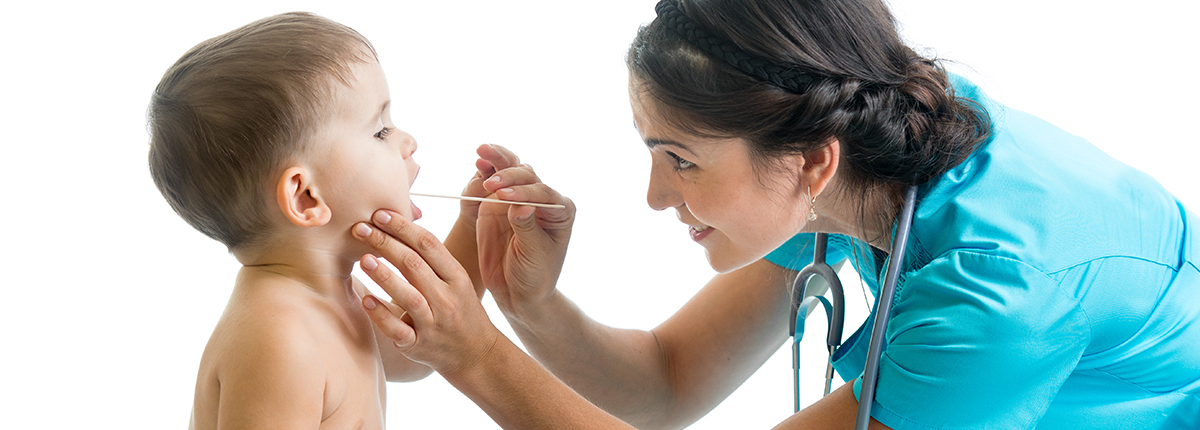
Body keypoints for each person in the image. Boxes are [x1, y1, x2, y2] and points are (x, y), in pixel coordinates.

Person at [352, 0, 1200, 429]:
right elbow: (668, 381)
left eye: (681, 159)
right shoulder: (868, 141)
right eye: (652, 152)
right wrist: (530, 304)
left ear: (811, 161)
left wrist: (472, 353)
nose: (653, 196)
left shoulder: (1000, 294)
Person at [147, 12, 520, 429]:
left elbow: (412, 350)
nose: (406, 140)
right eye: (379, 131)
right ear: (307, 197)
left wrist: (475, 227)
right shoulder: (280, 339)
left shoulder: (330, 292)